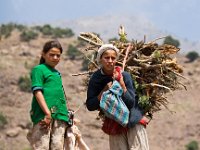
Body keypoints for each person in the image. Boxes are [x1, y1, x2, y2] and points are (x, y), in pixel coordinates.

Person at [86, 44, 149, 150]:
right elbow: (90, 105)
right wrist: (103, 91)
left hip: (133, 121)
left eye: (113, 58)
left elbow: (130, 103)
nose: (110, 61)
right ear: (100, 59)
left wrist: (122, 84)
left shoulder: (124, 76)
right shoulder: (96, 78)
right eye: (106, 57)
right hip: (114, 122)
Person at [27, 40, 69, 150]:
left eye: (58, 55)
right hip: (44, 117)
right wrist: (47, 113)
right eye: (52, 54)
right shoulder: (39, 69)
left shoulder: (56, 73)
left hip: (59, 116)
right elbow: (37, 92)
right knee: (42, 147)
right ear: (43, 54)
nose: (55, 57)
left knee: (57, 147)